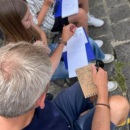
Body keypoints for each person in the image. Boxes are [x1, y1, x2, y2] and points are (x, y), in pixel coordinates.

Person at [0, 42, 129, 130]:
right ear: (41, 99)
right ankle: (118, 119)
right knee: (120, 104)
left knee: (89, 76)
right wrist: (102, 93)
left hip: (55, 111)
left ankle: (88, 111)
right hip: (61, 121)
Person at [0, 0, 117, 91]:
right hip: (44, 69)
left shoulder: (28, 22)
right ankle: (99, 86)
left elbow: (40, 33)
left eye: (30, 14)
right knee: (82, 67)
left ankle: (99, 57)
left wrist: (44, 46)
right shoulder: (15, 51)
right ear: (15, 25)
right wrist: (63, 42)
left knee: (87, 41)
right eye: (27, 18)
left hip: (44, 52)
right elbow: (46, 69)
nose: (31, 18)